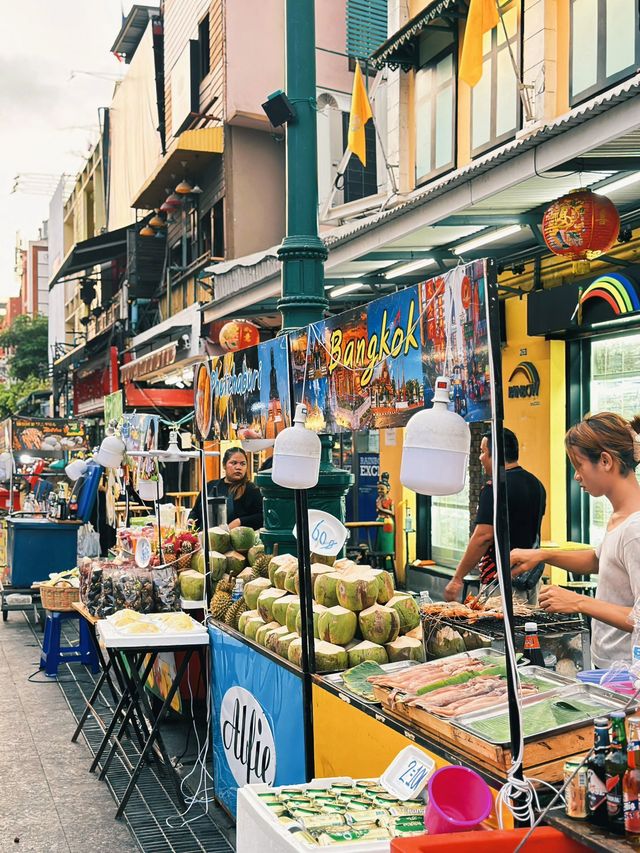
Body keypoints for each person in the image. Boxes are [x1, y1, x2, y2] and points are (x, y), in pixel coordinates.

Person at [511, 412, 640, 669]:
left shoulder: (635, 529)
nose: (576, 476)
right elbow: (598, 560)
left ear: (605, 461)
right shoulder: (620, 517)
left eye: (578, 465)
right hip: (609, 665)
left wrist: (577, 602)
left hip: (628, 674)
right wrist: (542, 555)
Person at [444, 428, 546, 604]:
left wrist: (458, 577)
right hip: (531, 580)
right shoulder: (537, 484)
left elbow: (483, 537)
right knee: (528, 629)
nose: (480, 458)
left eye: (483, 452)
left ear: (496, 454)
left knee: (499, 631)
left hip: (502, 582)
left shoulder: (494, 489)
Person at [189, 446, 263, 531]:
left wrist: (239, 522)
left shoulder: (251, 490)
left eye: (243, 464)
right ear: (224, 465)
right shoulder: (209, 486)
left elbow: (262, 516)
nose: (238, 467)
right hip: (204, 539)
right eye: (234, 463)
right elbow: (195, 511)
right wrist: (191, 520)